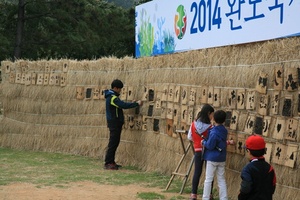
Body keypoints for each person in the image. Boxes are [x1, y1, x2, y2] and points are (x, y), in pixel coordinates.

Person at [104, 79, 142, 170]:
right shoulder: (112, 98)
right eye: (119, 89)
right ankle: (108, 163)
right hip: (114, 123)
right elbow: (123, 105)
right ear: (115, 88)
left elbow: (121, 105)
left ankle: (111, 161)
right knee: (113, 143)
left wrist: (132, 103)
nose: (120, 91)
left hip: (115, 122)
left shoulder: (112, 96)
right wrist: (136, 104)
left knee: (115, 142)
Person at [188, 104, 214, 200]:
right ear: (208, 113)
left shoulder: (193, 124)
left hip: (197, 150)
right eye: (212, 115)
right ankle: (209, 194)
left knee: (197, 172)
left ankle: (193, 194)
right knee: (209, 173)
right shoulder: (210, 127)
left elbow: (189, 137)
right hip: (207, 151)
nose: (212, 117)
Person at [201, 110, 230, 200]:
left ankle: (205, 197)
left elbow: (210, 145)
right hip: (221, 158)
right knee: (221, 179)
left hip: (212, 158)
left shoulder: (213, 132)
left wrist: (203, 142)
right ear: (224, 120)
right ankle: (224, 197)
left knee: (208, 180)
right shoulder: (224, 131)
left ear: (213, 118)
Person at [238, 134, 276, 200]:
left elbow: (246, 188)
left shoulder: (248, 169)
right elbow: (273, 187)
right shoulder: (270, 168)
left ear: (248, 151)